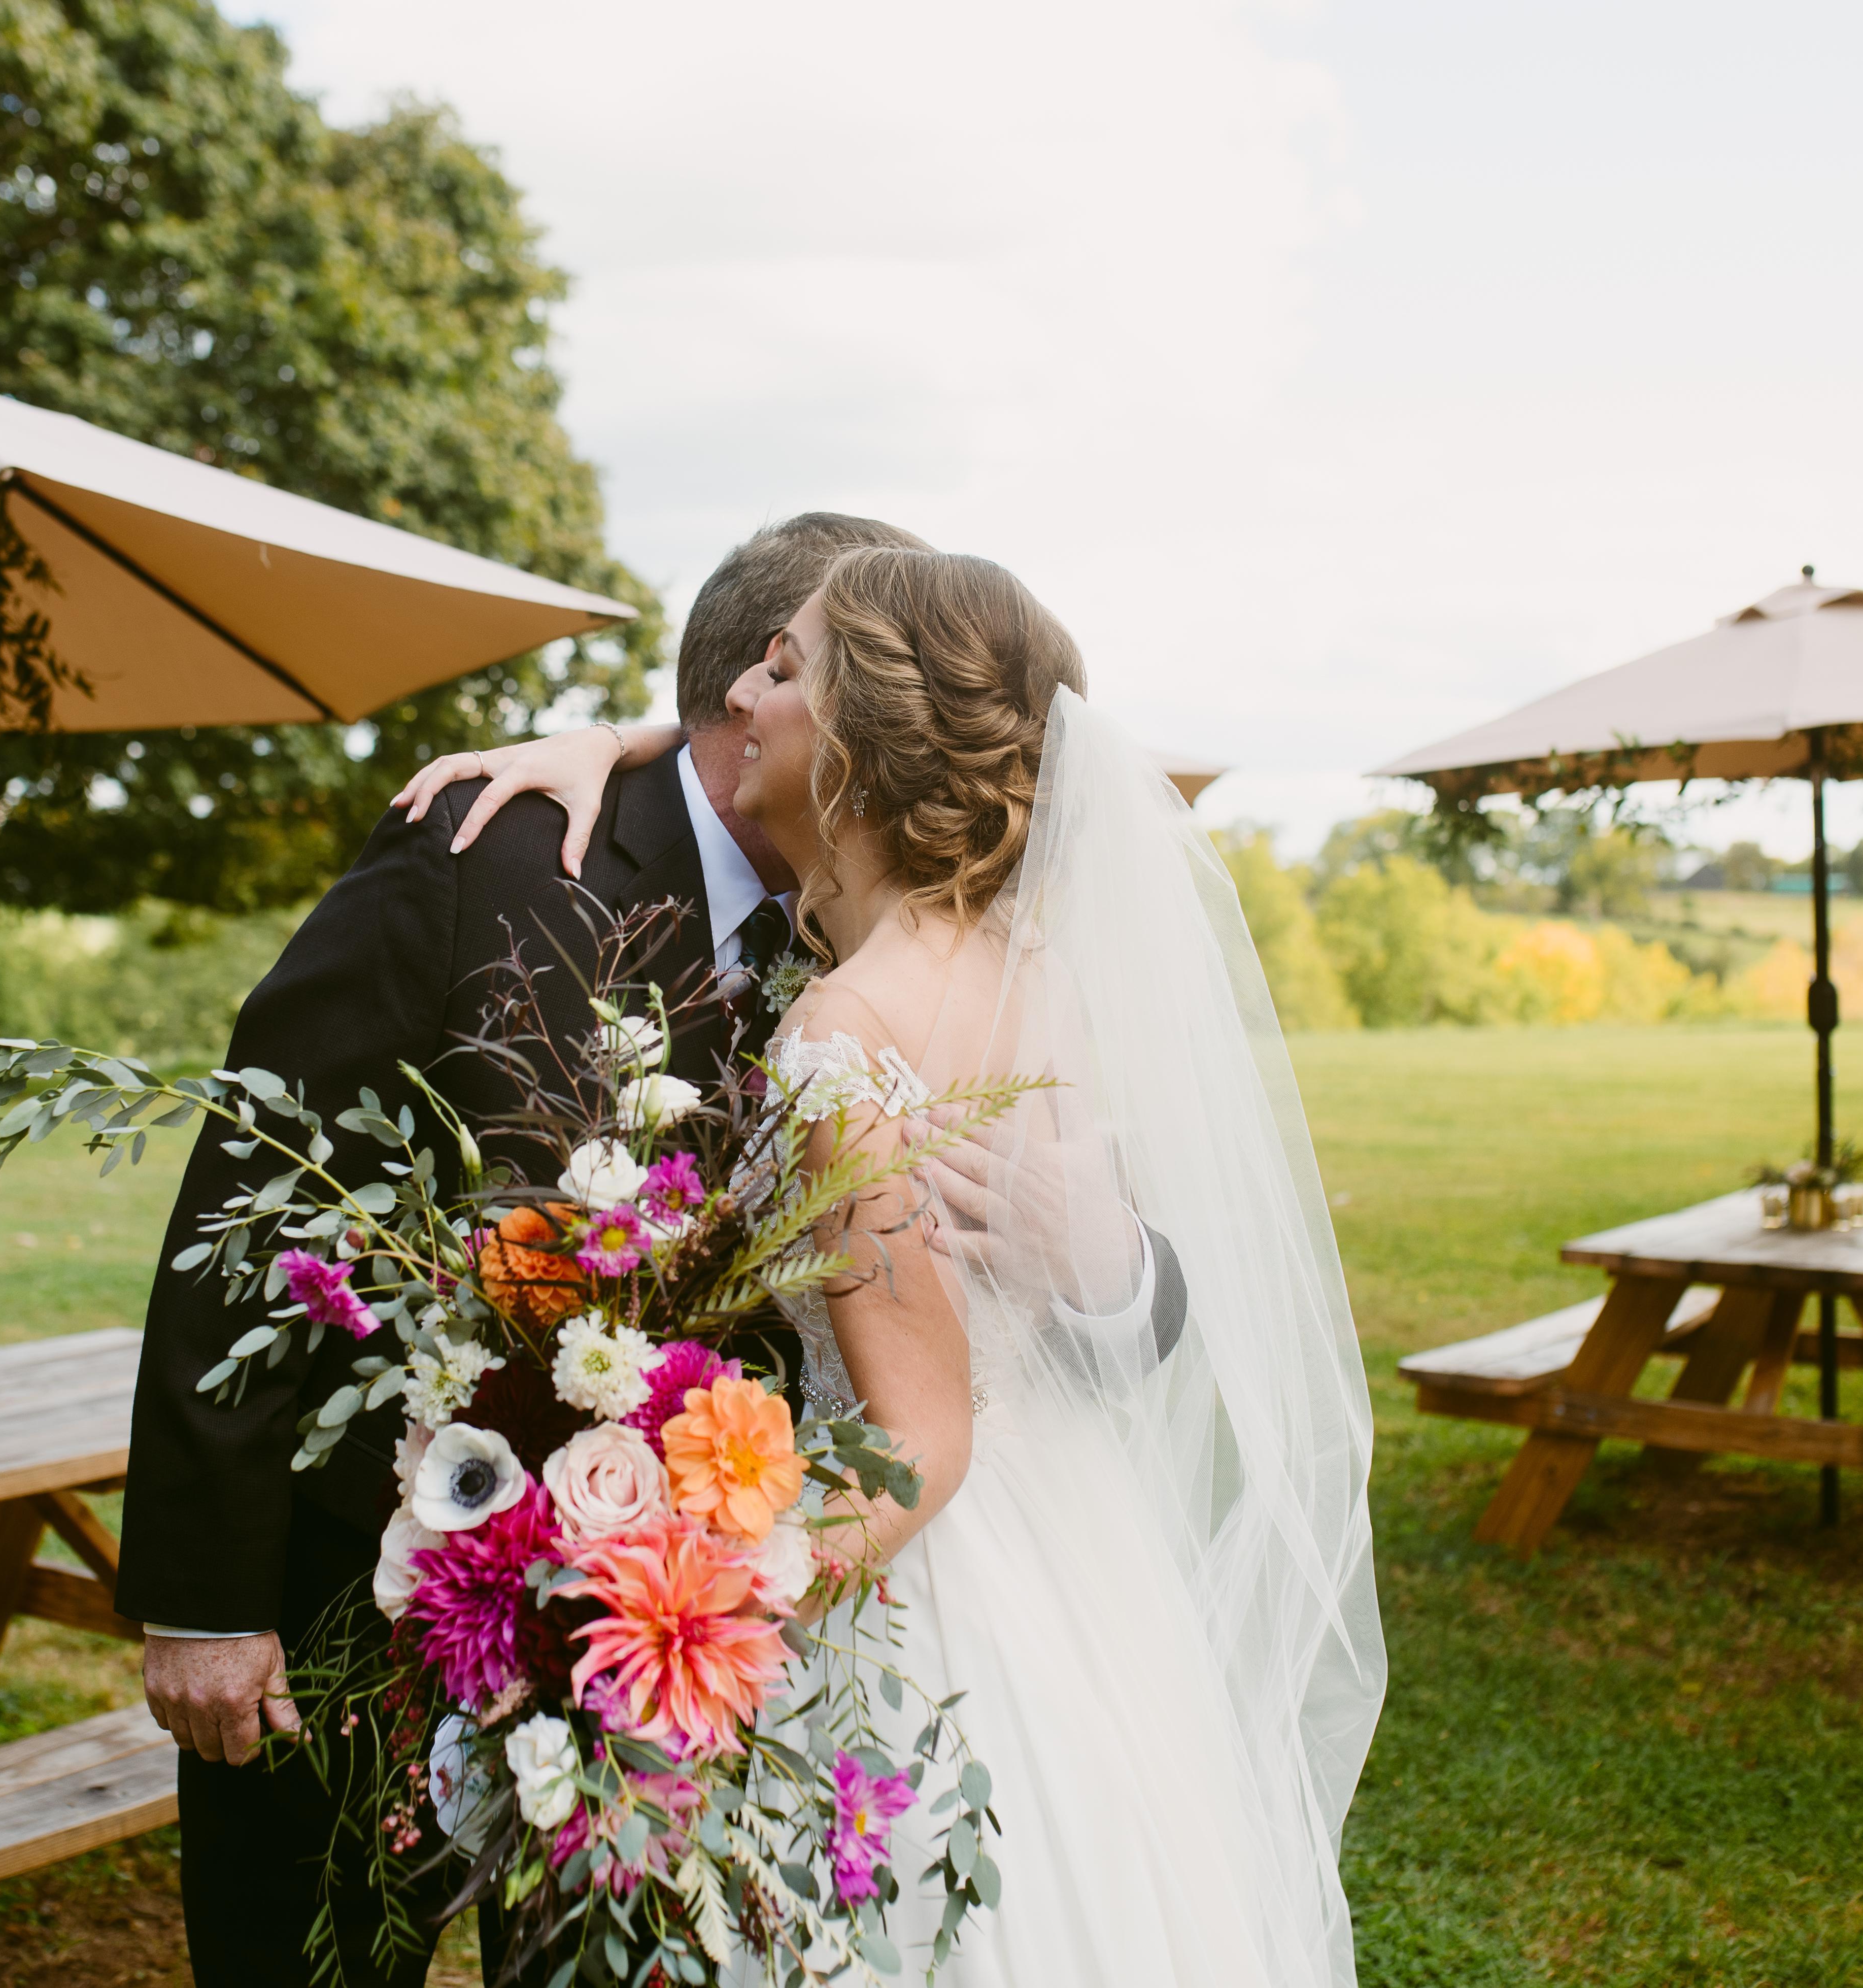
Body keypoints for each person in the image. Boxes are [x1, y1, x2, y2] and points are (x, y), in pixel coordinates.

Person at [421, 547, 1388, 1984]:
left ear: (861, 738)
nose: (741, 696)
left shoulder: (843, 1028)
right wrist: (613, 742)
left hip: (919, 1592)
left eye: (784, 668)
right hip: (1079, 1566)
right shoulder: (1034, 972)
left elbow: (921, 1439)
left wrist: (674, 1628)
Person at [119, 511, 1031, 1985]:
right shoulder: (486, 848)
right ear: (748, 692)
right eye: (804, 661)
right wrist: (205, 1599)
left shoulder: (883, 932)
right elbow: (262, 1190)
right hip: (363, 1591)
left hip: (675, 1649)